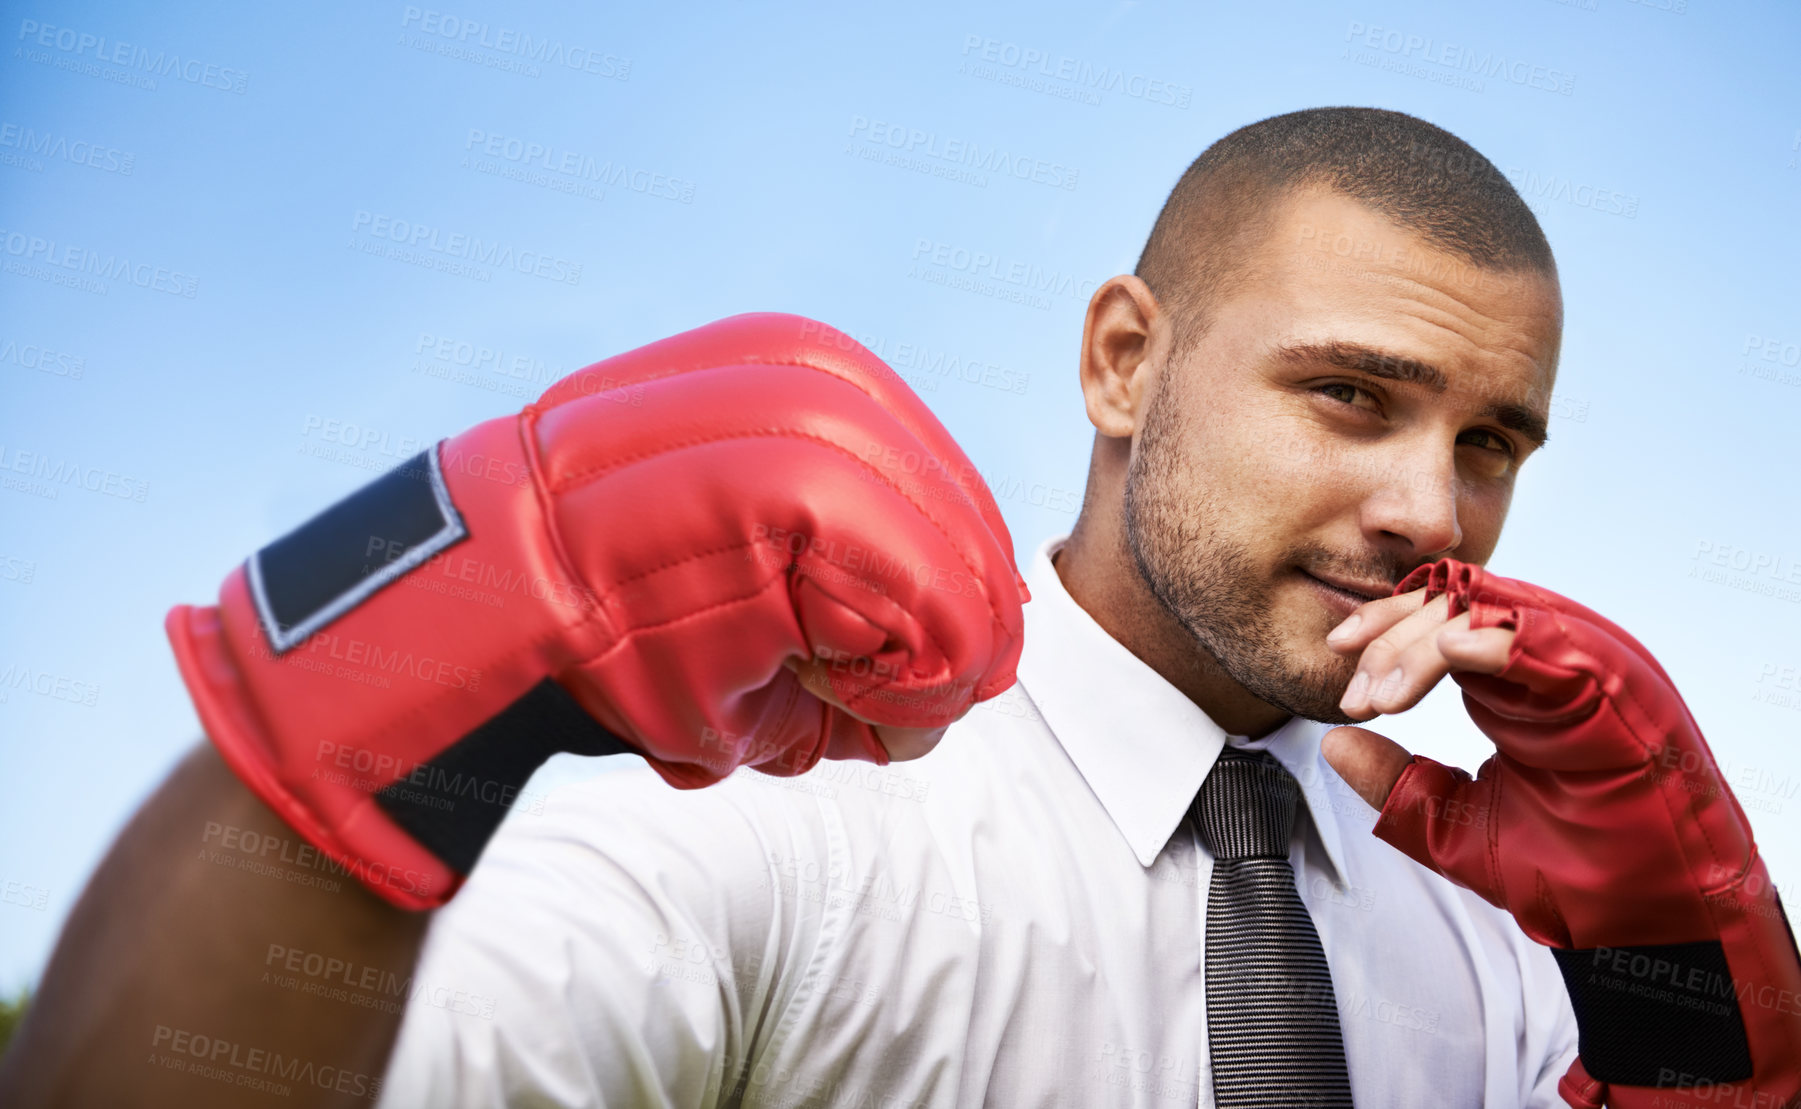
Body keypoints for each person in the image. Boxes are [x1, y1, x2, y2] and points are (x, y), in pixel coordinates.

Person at [3, 106, 1796, 1109]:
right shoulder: (782, 806)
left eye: (1491, 442)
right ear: (1121, 361)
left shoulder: (1498, 940)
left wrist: (1677, 1015)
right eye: (1349, 394)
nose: (1430, 510)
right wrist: (359, 722)